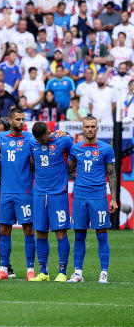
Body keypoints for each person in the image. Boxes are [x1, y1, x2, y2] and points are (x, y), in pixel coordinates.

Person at [67, 116, 117, 284]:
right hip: (79, 196)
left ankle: (103, 273)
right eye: (86, 126)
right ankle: (78, 273)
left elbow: (111, 174)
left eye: (92, 126)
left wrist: (114, 199)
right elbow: (69, 169)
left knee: (101, 235)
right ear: (82, 129)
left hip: (98, 197)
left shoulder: (106, 149)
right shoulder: (75, 148)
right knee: (79, 235)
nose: (89, 129)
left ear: (97, 128)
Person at [0, 107, 39, 280]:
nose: (22, 122)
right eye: (18, 119)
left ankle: (30, 270)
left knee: (28, 229)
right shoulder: (0, 138)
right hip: (5, 192)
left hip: (24, 192)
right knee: (4, 229)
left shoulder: (29, 138)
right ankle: (4, 269)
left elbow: (37, 158)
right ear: (10, 121)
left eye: (23, 119)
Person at [30, 121, 74, 282]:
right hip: (39, 194)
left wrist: (67, 169)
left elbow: (74, 157)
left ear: (49, 132)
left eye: (44, 139)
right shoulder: (31, 142)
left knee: (60, 232)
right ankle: (43, 272)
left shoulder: (64, 140)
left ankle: (62, 272)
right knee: (40, 232)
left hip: (58, 194)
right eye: (39, 141)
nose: (42, 143)